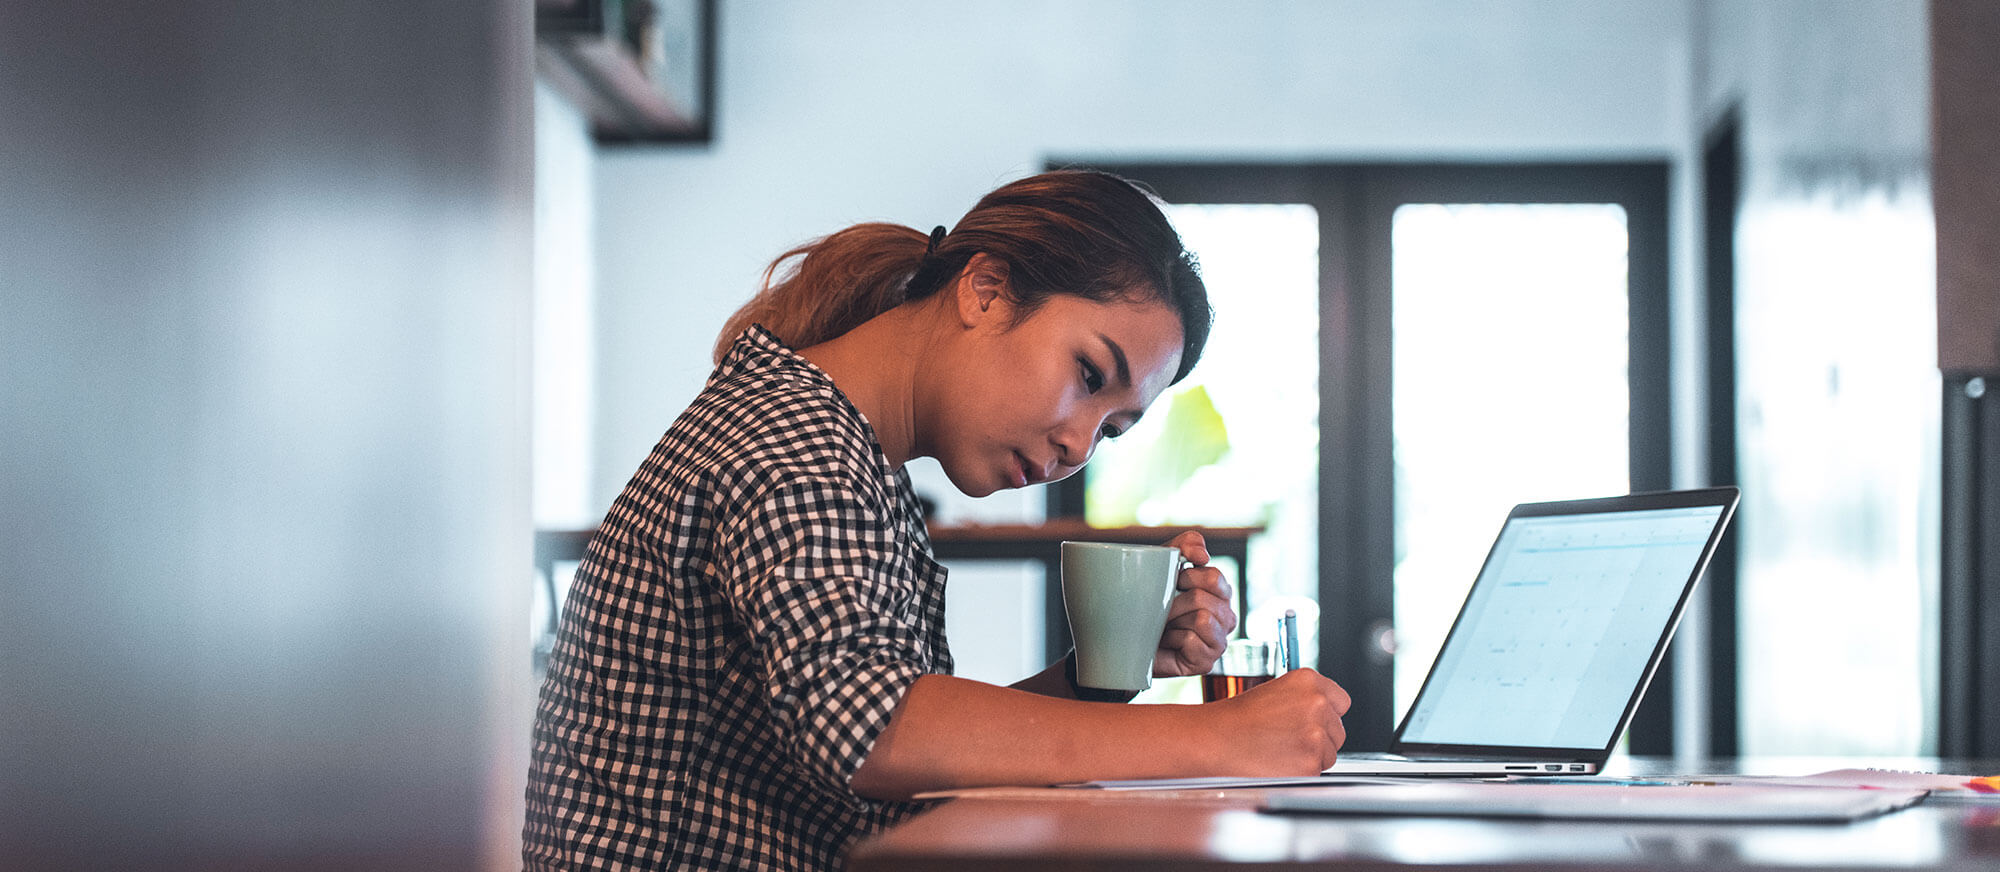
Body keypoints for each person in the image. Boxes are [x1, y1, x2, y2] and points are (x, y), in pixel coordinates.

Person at [523, 170, 1351, 871]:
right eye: (1088, 373)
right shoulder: (796, 445)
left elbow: (907, 746)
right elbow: (876, 731)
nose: (1076, 443)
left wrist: (1108, 675)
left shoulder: (841, 443)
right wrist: (1222, 738)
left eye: (1111, 430)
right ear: (985, 291)